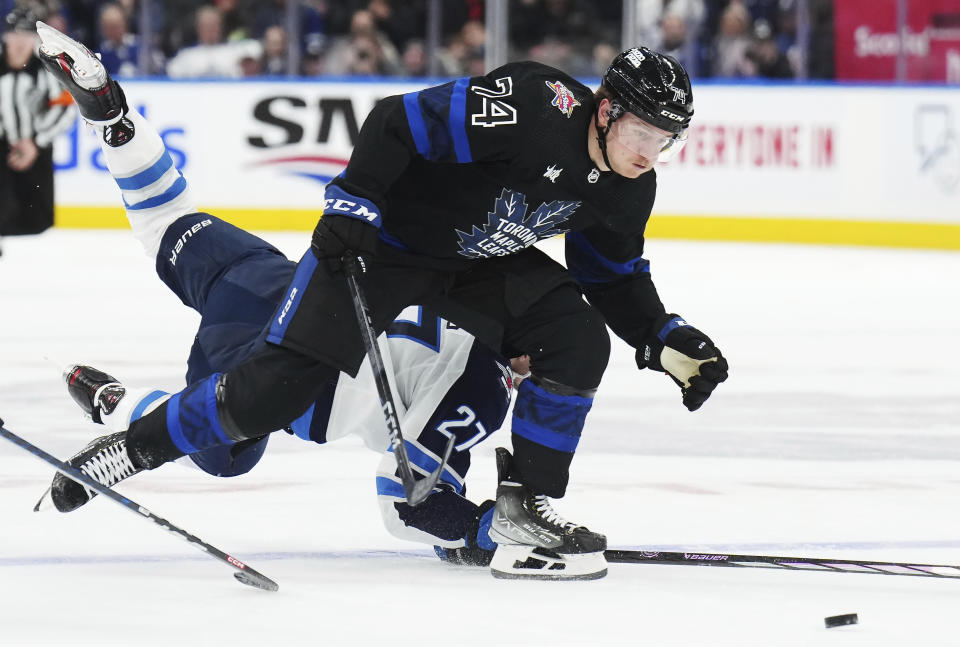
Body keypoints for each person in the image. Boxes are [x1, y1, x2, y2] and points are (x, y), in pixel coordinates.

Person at [37, 22, 729, 580]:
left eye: (668, 139)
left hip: (472, 265)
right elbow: (396, 122)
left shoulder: (628, 187)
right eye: (646, 132)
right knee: (269, 395)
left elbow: (609, 275)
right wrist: (353, 203)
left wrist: (661, 332)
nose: (653, 151)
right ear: (607, 109)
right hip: (388, 245)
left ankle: (526, 507)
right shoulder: (529, 105)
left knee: (579, 335)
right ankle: (132, 446)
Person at [33, 21, 519, 567]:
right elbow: (407, 504)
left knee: (169, 217)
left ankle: (113, 118)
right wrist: (479, 531)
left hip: (274, 283)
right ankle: (119, 407)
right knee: (222, 454)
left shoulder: (478, 290)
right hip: (275, 372)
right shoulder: (488, 388)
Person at [0, 7, 75, 254]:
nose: (20, 41)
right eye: (14, 35)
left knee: (34, 223)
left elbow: (67, 108)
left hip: (36, 153)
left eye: (26, 35)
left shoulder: (47, 69)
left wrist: (36, 143)